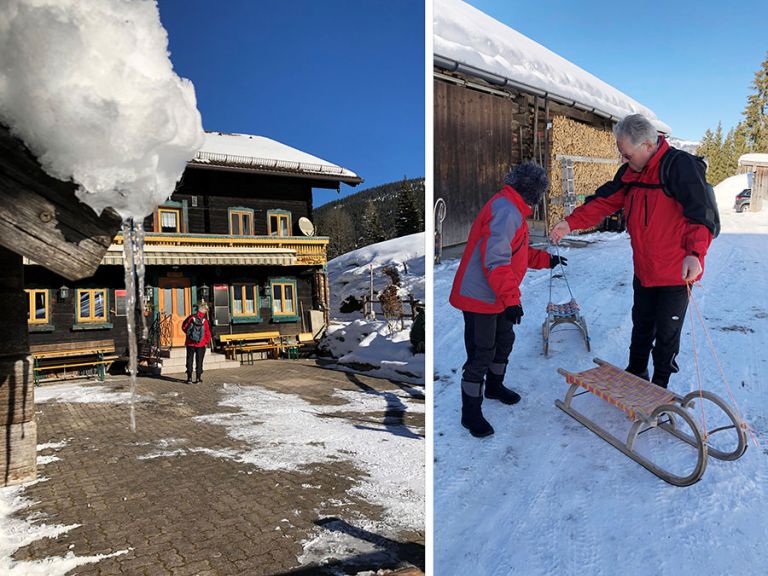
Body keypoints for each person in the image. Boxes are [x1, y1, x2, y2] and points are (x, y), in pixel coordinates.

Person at [549, 113, 717, 389]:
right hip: (645, 269)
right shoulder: (631, 173)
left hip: (677, 272)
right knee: (641, 325)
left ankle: (660, 385)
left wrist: (695, 254)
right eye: (621, 155)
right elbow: (603, 201)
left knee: (666, 334)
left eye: (627, 155)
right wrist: (570, 222)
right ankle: (636, 372)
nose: (623, 161)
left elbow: (702, 214)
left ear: (648, 146)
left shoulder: (679, 166)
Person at [449, 162, 566, 438]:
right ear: (532, 193)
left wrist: (547, 260)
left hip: (498, 294)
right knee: (481, 353)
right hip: (479, 296)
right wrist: (512, 299)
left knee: (504, 341)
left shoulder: (513, 209)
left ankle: (494, 387)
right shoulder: (505, 210)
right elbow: (496, 260)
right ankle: (470, 413)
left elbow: (517, 252)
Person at [181, 301, 212, 384]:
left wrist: (190, 336)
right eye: (206, 310)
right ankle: (198, 378)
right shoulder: (205, 320)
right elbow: (207, 332)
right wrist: (206, 341)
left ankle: (189, 378)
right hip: (201, 343)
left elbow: (184, 327)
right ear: (204, 310)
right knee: (199, 360)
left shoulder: (191, 318)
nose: (206, 312)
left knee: (189, 359)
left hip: (190, 343)